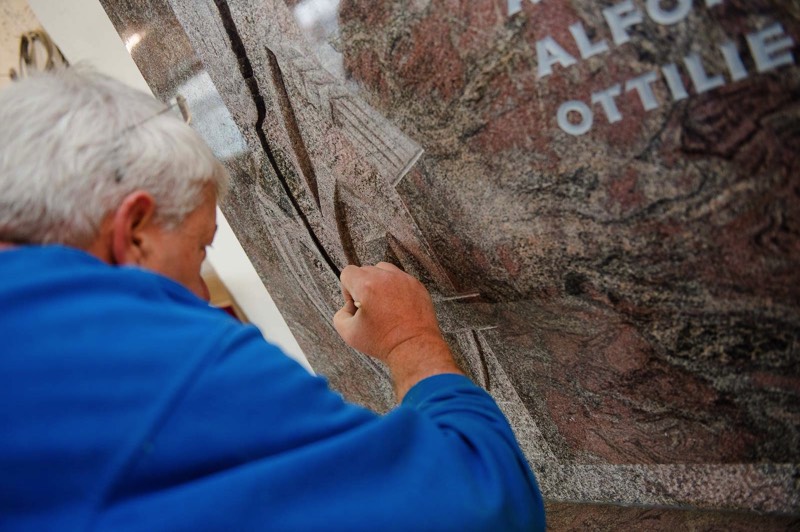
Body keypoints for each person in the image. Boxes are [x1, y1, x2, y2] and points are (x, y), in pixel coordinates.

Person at [0, 67, 545, 531]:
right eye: (199, 249)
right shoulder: (153, 359)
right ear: (135, 229)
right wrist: (412, 341)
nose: (199, 291)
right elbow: (482, 508)